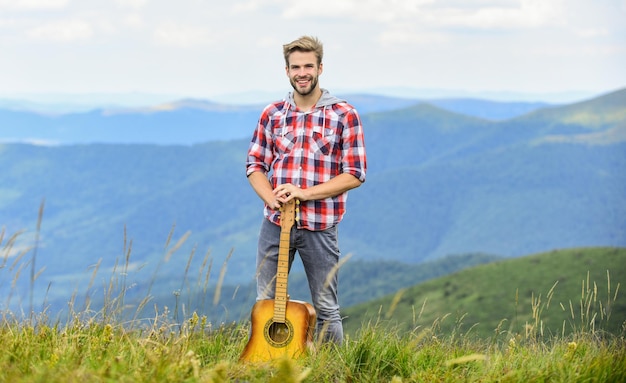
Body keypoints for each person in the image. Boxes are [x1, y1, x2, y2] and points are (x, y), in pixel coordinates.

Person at [245, 35, 367, 345]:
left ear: (320, 68)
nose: (302, 72)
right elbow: (255, 165)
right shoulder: (272, 114)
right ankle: (265, 367)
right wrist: (271, 198)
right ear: (286, 71)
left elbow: (355, 173)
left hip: (320, 226)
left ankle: (335, 374)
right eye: (296, 67)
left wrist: (305, 193)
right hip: (274, 225)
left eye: (308, 66)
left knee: (326, 308)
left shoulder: (343, 114)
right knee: (265, 303)